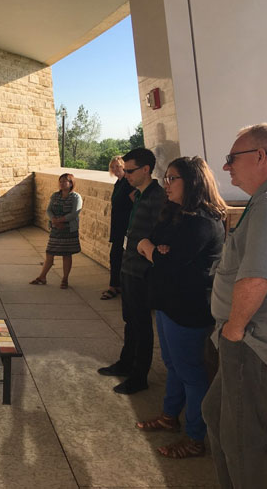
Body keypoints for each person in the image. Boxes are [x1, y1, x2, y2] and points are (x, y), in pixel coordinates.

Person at [202, 123, 267, 488]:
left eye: (232, 159)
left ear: (261, 156)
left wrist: (234, 330)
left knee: (241, 442)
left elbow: (256, 277)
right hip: (253, 338)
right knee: (214, 412)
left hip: (253, 342)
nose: (226, 167)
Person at [134, 156, 226, 459]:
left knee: (191, 374)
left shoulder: (203, 220)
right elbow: (154, 242)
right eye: (166, 178)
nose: (166, 184)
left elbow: (167, 260)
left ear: (193, 181)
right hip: (167, 302)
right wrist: (155, 249)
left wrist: (153, 251)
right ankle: (169, 416)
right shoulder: (178, 213)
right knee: (174, 366)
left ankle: (195, 437)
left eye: (173, 178)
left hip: (187, 308)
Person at [97, 147, 165, 394]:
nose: (125, 175)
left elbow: (160, 235)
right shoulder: (139, 194)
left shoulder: (158, 197)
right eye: (124, 170)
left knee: (141, 324)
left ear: (146, 170)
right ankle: (126, 363)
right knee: (130, 321)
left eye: (130, 170)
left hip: (142, 271)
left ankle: (139, 377)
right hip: (129, 267)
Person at [30, 173, 82, 288]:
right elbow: (49, 210)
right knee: (50, 253)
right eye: (60, 181)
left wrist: (61, 220)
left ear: (71, 183)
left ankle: (65, 279)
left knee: (66, 254)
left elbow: (75, 213)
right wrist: (54, 220)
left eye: (65, 181)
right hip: (56, 229)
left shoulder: (76, 197)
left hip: (69, 230)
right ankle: (42, 277)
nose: (62, 183)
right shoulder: (55, 196)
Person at [101, 156, 134, 300]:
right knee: (116, 256)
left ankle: (113, 286)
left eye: (117, 166)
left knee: (116, 256)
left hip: (125, 226)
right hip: (118, 225)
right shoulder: (118, 183)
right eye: (112, 167)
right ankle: (118, 285)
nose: (115, 169)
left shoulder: (128, 183)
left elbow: (135, 203)